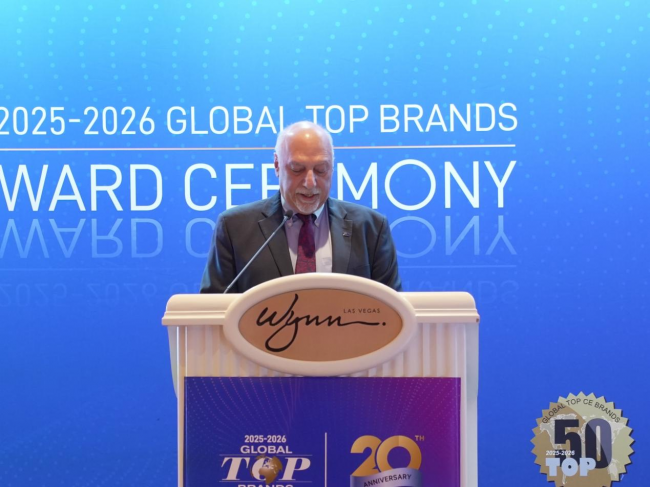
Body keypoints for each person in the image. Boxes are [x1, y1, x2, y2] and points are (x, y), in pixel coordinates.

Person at [200, 121, 402, 293]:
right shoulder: (234, 228)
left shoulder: (371, 228)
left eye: (321, 170)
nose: (310, 183)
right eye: (297, 169)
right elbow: (212, 311)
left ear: (332, 167)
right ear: (277, 165)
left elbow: (394, 310)